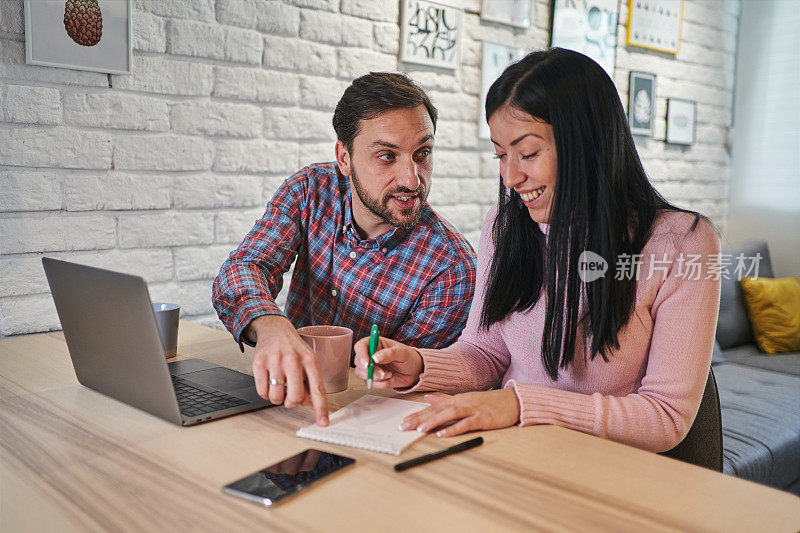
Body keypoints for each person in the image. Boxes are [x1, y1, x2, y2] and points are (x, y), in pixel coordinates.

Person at [353, 48, 721, 453]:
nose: (510, 176)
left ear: (585, 143)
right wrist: (421, 364)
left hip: (613, 472)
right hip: (516, 456)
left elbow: (665, 417)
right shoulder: (506, 224)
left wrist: (520, 403)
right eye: (500, 154)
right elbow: (484, 352)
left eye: (527, 153)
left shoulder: (683, 243)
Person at [212, 72, 477, 427]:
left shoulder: (453, 269)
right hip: (283, 407)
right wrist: (271, 326)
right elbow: (244, 267)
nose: (412, 179)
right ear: (344, 158)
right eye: (387, 156)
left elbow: (404, 394)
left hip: (359, 426)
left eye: (422, 154)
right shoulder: (311, 190)